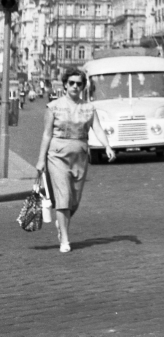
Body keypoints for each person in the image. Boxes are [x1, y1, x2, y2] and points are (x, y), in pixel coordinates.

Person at [34, 67, 116, 253]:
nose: (75, 86)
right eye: (71, 83)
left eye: (79, 83)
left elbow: (98, 128)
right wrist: (40, 160)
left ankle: (61, 224)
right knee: (63, 197)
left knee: (74, 200)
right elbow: (46, 135)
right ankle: (64, 238)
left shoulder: (88, 107)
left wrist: (108, 146)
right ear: (65, 85)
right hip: (57, 156)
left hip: (79, 157)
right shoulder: (53, 107)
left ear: (83, 86)